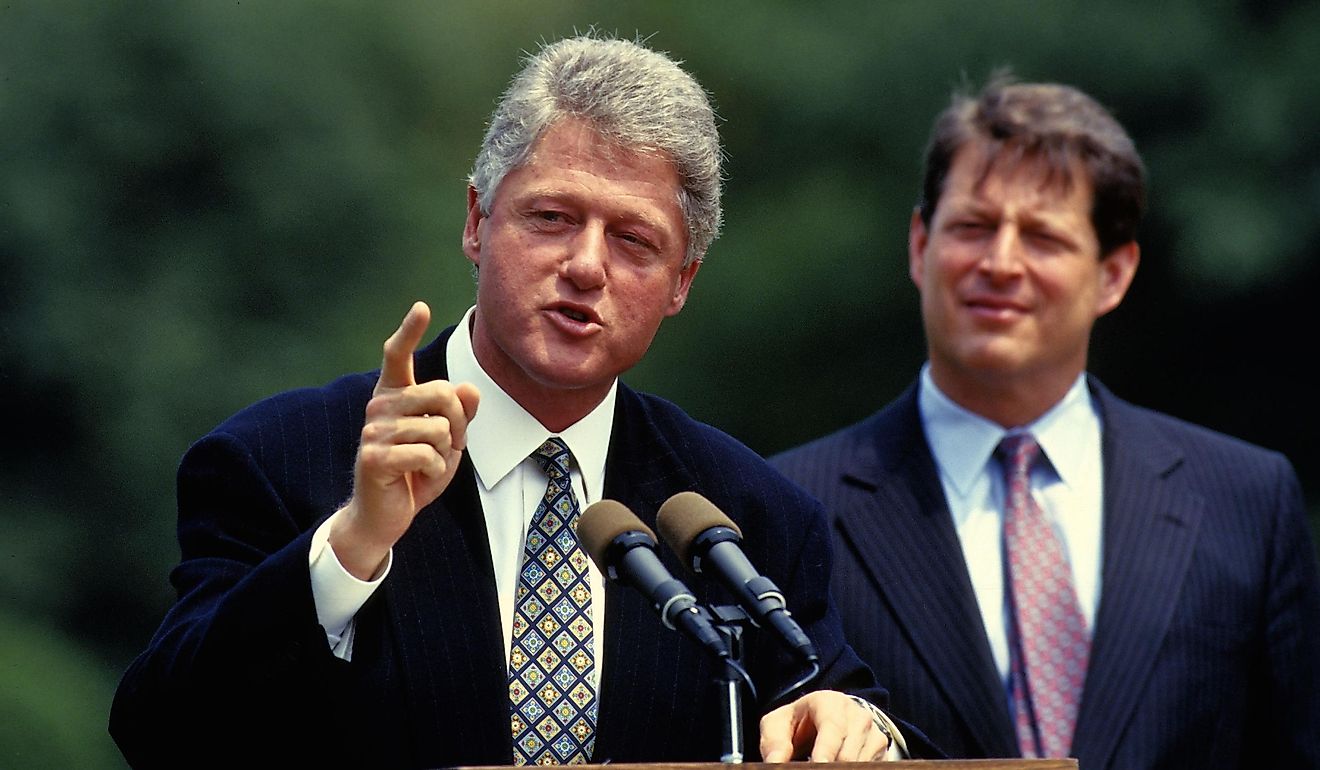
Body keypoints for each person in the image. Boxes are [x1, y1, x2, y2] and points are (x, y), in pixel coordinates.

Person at [109, 34, 934, 769]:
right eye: (551, 217)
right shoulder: (282, 459)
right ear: (476, 220)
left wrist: (862, 727)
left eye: (634, 241)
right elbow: (159, 730)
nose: (585, 265)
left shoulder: (743, 512)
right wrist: (353, 542)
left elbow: (846, 702)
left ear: (682, 283)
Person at [770, 74, 1320, 769]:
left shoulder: (1245, 500)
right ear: (920, 245)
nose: (1001, 263)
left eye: (1043, 237)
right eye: (973, 226)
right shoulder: (788, 508)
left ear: (1114, 274)